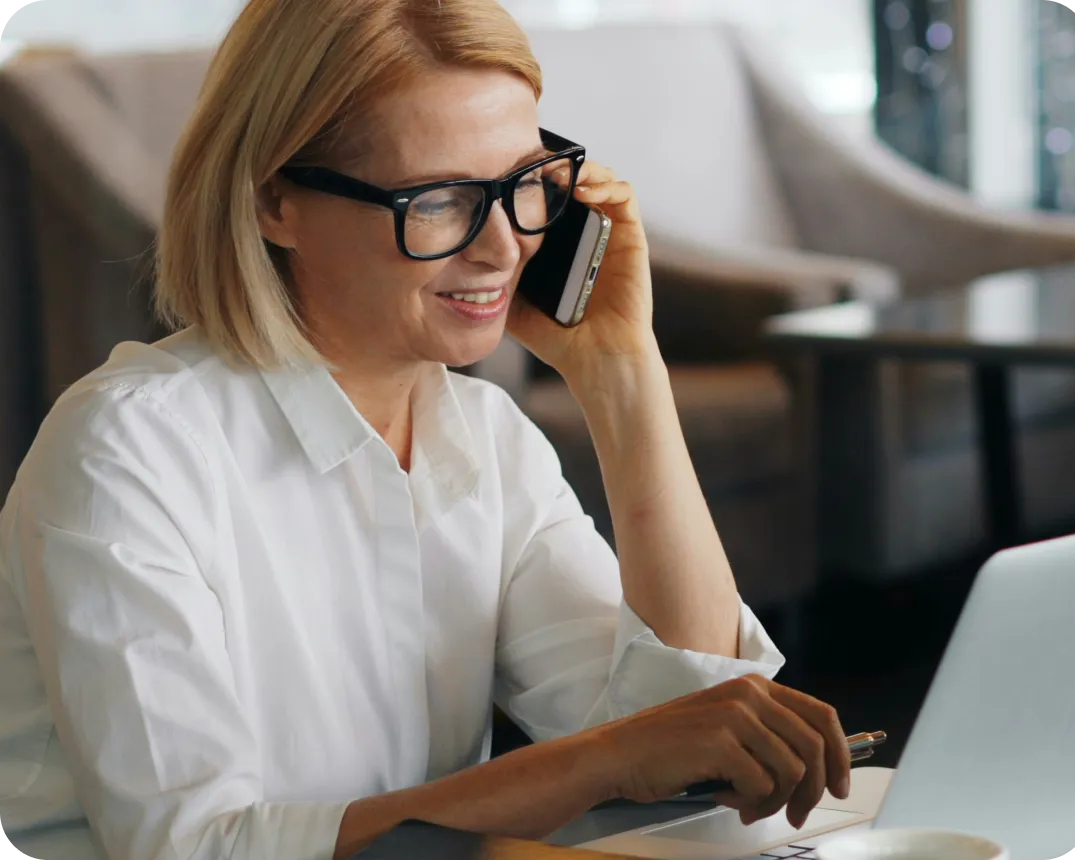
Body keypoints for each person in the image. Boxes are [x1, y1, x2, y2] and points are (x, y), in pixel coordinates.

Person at [0, 1, 852, 859]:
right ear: (274, 202)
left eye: (525, 182)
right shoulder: (127, 451)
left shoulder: (485, 438)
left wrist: (624, 374)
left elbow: (690, 736)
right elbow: (194, 849)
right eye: (441, 199)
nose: (503, 248)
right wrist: (605, 760)